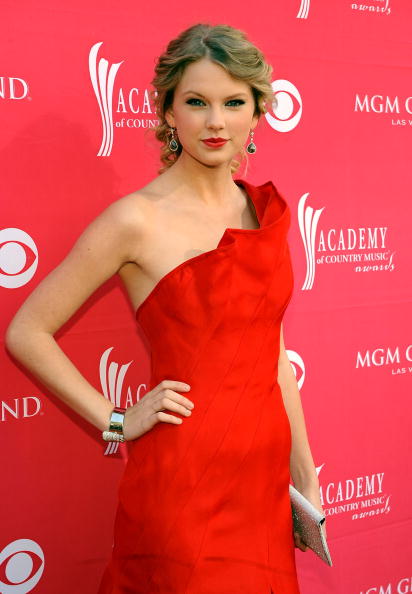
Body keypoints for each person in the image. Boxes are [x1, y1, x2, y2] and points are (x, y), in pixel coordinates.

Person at [5, 22, 325, 594]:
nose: (215, 121)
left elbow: (272, 350)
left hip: (262, 482)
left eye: (233, 102)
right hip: (185, 482)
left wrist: (304, 476)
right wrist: (116, 420)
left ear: (258, 112)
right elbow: (27, 331)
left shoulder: (266, 213)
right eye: (197, 102)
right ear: (169, 112)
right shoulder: (136, 219)